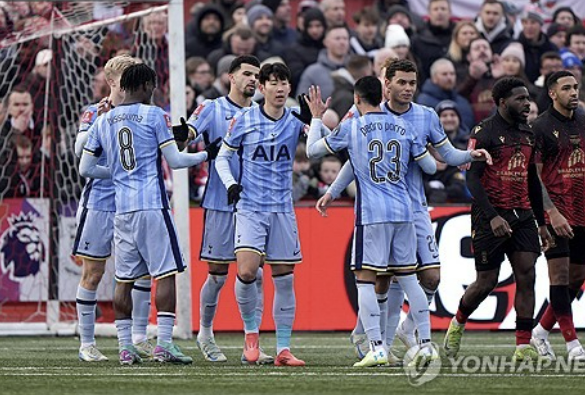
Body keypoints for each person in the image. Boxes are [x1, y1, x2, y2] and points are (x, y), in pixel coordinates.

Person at [321, 60, 492, 362]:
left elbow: (447, 154)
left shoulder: (426, 115)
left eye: (412, 82)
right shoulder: (370, 115)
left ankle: (405, 330)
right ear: (386, 84)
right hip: (382, 208)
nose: (409, 88)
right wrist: (333, 191)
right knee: (384, 280)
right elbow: (355, 161)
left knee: (431, 277)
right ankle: (377, 343)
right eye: (402, 82)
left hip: (415, 208)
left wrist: (470, 155)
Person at [79, 64, 211, 365]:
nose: (153, 90)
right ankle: (164, 343)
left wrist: (116, 173)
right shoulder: (155, 115)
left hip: (122, 210)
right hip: (152, 205)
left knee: (124, 279)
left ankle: (125, 348)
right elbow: (175, 161)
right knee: (165, 273)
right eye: (152, 85)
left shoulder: (103, 120)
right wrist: (206, 154)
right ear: (145, 85)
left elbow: (85, 168)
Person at [306, 77, 439, 367]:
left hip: (372, 214)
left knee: (366, 281)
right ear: (382, 96)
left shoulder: (352, 126)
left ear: (356, 99)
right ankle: (426, 345)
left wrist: (316, 118)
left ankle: (376, 346)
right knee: (409, 279)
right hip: (405, 211)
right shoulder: (405, 126)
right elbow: (430, 167)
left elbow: (312, 150)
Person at [172, 55, 274, 365]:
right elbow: (187, 136)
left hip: (255, 205)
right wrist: (184, 135)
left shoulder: (263, 113)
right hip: (220, 201)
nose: (252, 80)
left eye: (256, 75)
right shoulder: (212, 107)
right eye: (247, 74)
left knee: (255, 274)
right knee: (217, 275)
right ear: (230, 76)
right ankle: (205, 333)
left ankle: (252, 343)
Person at [443, 77, 551, 362]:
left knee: (527, 274)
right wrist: (492, 217)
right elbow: (472, 180)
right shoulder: (484, 132)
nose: (526, 103)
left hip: (523, 214)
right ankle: (458, 321)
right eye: (520, 99)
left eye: (527, 98)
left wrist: (541, 223)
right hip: (489, 215)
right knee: (486, 282)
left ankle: (522, 345)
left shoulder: (528, 133)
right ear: (503, 102)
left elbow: (532, 180)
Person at [214, 63, 313, 367]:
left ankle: (283, 349)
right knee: (246, 272)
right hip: (251, 207)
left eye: (284, 83)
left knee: (284, 278)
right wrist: (231, 184)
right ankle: (251, 337)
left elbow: (319, 150)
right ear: (261, 87)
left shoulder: (296, 120)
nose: (280, 88)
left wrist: (317, 121)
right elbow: (222, 158)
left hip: (282, 209)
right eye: (273, 83)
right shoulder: (244, 120)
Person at [72, 55, 154, 363]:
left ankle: (139, 337)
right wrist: (100, 121)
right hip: (100, 203)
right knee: (93, 273)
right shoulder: (94, 111)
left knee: (142, 272)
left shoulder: (143, 112)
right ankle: (87, 343)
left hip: (134, 202)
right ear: (111, 82)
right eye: (125, 78)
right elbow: (79, 150)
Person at [530, 71, 585, 361]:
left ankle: (540, 331)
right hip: (555, 213)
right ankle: (573, 344)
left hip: (583, 212)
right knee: (559, 276)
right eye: (566, 88)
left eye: (575, 87)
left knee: (576, 278)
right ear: (552, 93)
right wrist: (550, 212)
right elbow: (535, 176)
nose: (573, 92)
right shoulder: (540, 127)